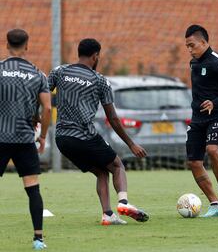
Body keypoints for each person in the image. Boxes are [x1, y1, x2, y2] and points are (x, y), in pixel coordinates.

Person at [48, 38, 149, 225]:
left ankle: (108, 215)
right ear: (95, 56)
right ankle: (124, 202)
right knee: (117, 165)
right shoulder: (99, 80)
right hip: (85, 136)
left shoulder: (59, 72)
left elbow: (43, 95)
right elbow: (113, 119)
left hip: (62, 139)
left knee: (102, 172)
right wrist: (131, 143)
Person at [0, 29, 51, 250]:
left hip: (0, 137)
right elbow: (47, 107)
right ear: (27, 45)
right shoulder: (38, 74)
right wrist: (43, 137)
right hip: (23, 138)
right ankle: (38, 239)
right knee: (32, 188)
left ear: (6, 44)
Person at [185, 25, 218, 217]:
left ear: (204, 42)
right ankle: (216, 205)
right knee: (194, 162)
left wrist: (215, 103)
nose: (190, 50)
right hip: (197, 118)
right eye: (187, 47)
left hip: (217, 115)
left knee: (212, 149)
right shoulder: (193, 63)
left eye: (192, 45)